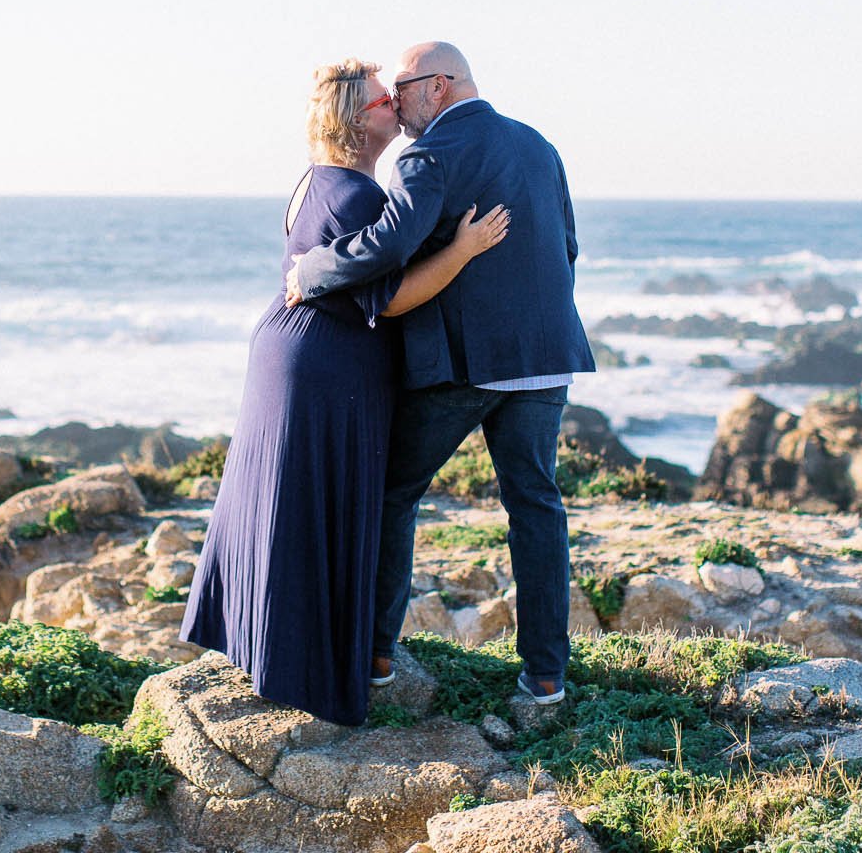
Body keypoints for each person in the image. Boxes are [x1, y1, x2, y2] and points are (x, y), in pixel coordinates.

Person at [182, 58, 509, 725]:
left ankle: (267, 646)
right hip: (328, 362)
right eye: (383, 100)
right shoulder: (359, 197)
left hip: (287, 346)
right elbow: (393, 300)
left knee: (284, 502)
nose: (396, 104)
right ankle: (309, 666)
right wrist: (467, 249)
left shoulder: (311, 182)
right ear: (359, 121)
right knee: (316, 507)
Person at [284, 41, 591, 704]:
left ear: (439, 86)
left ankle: (374, 658)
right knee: (536, 507)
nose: (396, 102)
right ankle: (545, 678)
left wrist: (312, 272)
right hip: (543, 361)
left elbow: (389, 243)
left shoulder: (428, 155)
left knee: (394, 494)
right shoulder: (539, 145)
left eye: (403, 88)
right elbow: (568, 246)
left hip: (464, 363)